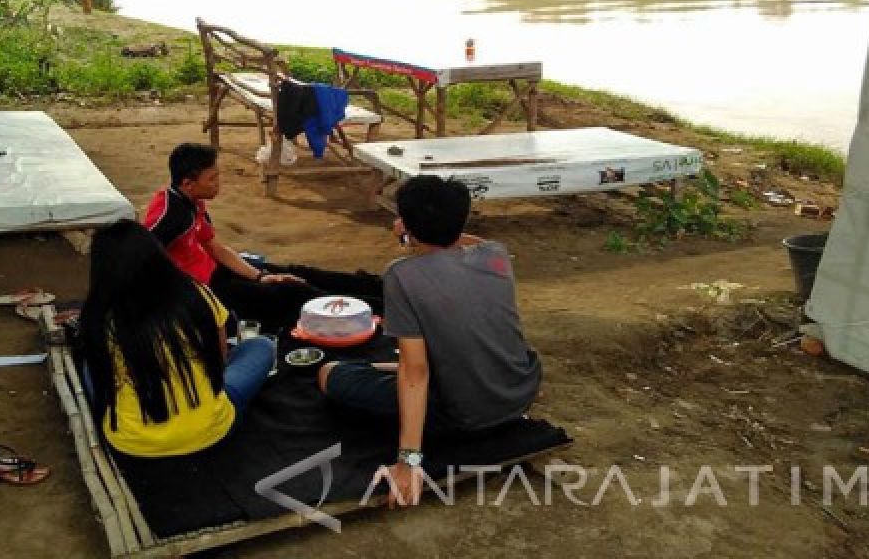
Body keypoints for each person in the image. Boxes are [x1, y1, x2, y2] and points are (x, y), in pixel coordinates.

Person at [317, 175, 542, 508]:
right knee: (408, 359)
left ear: (407, 223)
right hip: (522, 391)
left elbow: (415, 372)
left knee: (329, 373)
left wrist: (408, 461)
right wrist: (418, 231)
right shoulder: (497, 255)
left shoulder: (402, 275)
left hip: (465, 415)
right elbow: (463, 241)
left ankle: (368, 382)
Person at [78, 220, 275, 457]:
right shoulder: (196, 293)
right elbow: (219, 361)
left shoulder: (98, 315)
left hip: (133, 442)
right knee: (261, 346)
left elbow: (103, 381)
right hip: (210, 427)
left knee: (90, 367)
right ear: (158, 256)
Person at [143, 143, 383, 330]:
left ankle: (378, 289)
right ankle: (375, 310)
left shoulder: (193, 202)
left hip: (217, 270)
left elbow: (215, 247)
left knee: (295, 274)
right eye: (212, 179)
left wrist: (261, 276)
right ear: (188, 183)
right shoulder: (168, 214)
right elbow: (141, 258)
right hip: (207, 291)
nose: (218, 183)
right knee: (293, 294)